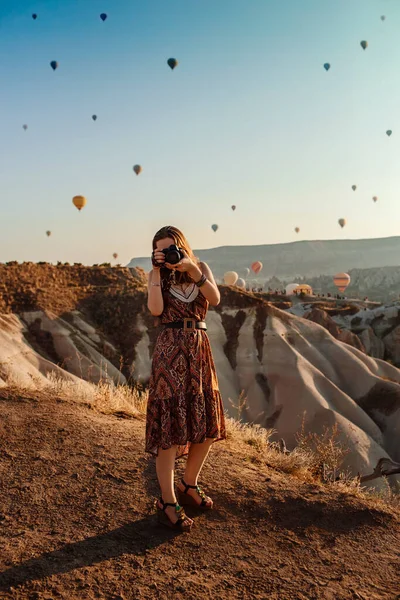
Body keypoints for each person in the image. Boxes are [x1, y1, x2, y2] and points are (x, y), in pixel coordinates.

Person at [146, 225, 226, 531]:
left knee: (206, 425)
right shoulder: (157, 276)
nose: (168, 255)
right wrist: (155, 274)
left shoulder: (200, 268)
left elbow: (214, 299)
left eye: (172, 248)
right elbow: (155, 310)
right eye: (161, 250)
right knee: (168, 432)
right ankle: (167, 500)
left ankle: (189, 483)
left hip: (199, 349)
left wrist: (191, 268)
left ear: (182, 245)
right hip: (169, 352)